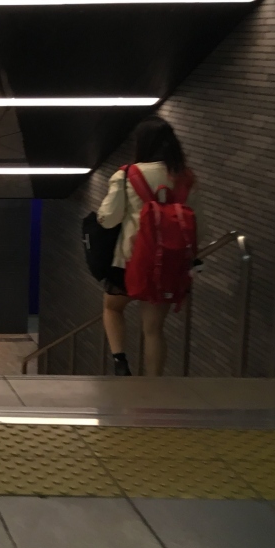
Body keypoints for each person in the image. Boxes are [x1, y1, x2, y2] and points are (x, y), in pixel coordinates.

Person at [96, 116, 197, 377]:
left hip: (129, 260)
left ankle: (120, 362)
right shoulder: (184, 177)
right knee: (153, 329)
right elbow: (200, 225)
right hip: (168, 264)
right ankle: (153, 384)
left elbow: (109, 218)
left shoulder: (128, 174)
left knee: (112, 307)